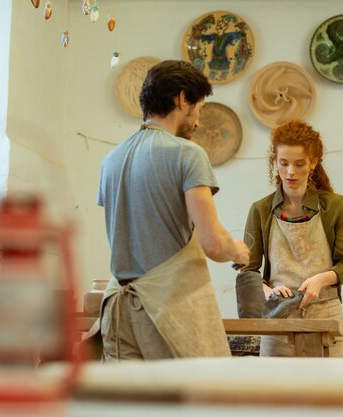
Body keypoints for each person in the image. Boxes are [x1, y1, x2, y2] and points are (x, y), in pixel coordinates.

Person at [93, 60, 250, 361]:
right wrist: (238, 252)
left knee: (127, 407)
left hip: (117, 311)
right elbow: (213, 243)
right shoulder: (187, 154)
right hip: (164, 314)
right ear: (182, 99)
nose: (198, 122)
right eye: (200, 109)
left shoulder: (111, 160)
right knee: (180, 405)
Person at [236, 120, 343, 357]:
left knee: (329, 392)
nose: (290, 172)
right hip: (279, 317)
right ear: (275, 163)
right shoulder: (260, 210)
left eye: (299, 164)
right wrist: (269, 292)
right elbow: (247, 272)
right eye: (284, 163)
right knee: (278, 392)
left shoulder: (334, 205)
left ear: (312, 163)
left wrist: (321, 279)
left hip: (326, 315)